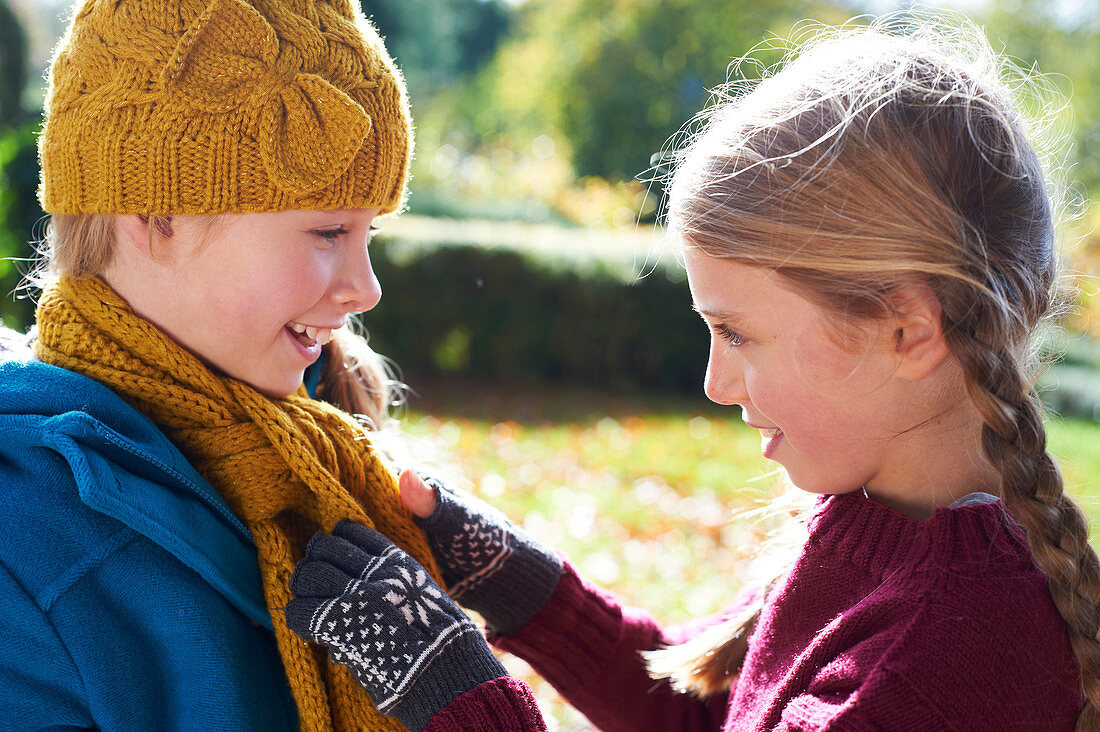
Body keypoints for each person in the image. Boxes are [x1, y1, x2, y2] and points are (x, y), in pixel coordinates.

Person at [284, 16, 1096, 731]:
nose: (715, 381)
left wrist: (455, 692)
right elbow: (703, 714)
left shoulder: (947, 661)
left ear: (907, 329)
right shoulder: (869, 528)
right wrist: (512, 579)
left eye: (736, 334)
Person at [0, 0, 552, 728]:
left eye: (368, 234)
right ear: (156, 216)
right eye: (328, 230)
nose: (366, 287)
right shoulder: (29, 541)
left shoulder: (320, 460)